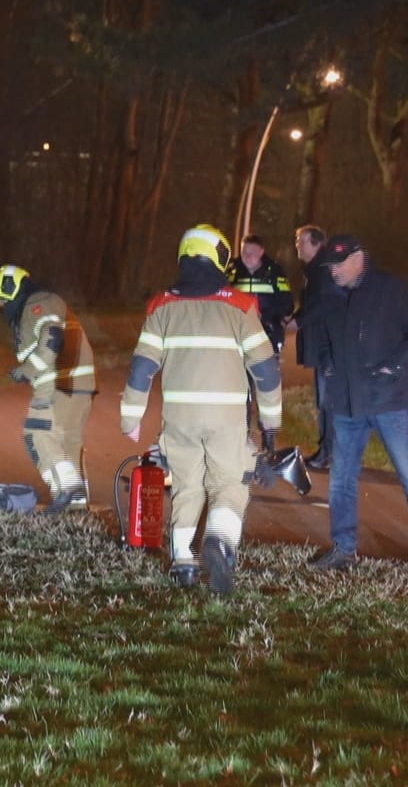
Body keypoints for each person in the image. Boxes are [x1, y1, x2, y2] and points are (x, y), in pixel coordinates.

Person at [120, 224, 283, 594]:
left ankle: (182, 562)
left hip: (179, 419)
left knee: (186, 486)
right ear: (221, 257)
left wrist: (130, 418)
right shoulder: (240, 307)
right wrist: (270, 422)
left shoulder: (162, 307)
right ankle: (220, 543)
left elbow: (142, 368)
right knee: (229, 483)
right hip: (225, 420)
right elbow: (266, 371)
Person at [303, 234, 408, 570]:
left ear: (358, 259)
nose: (334, 271)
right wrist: (328, 365)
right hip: (346, 405)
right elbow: (320, 336)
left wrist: (393, 366)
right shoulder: (330, 293)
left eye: (339, 265)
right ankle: (343, 549)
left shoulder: (389, 290)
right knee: (341, 479)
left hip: (388, 402)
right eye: (330, 266)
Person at [0, 265, 97, 514]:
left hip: (58, 383)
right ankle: (76, 511)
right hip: (78, 384)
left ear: (11, 288)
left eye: (4, 303)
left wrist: (28, 370)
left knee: (36, 434)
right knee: (68, 444)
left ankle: (70, 489)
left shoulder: (37, 304)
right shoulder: (47, 301)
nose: (5, 309)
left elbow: (51, 336)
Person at [290, 225, 340, 469]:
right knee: (326, 400)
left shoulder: (324, 269)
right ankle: (328, 452)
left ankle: (330, 454)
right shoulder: (316, 270)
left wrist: (298, 321)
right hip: (325, 345)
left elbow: (326, 305)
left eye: (301, 241)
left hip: (330, 347)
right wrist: (294, 318)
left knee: (328, 401)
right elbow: (314, 303)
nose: (297, 245)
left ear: (316, 243)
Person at [231, 235, 296, 353]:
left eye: (252, 252)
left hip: (268, 331)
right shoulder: (232, 270)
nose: (247, 256)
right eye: (244, 252)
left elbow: (286, 303)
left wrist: (270, 317)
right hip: (238, 329)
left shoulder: (274, 271)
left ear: (261, 252)